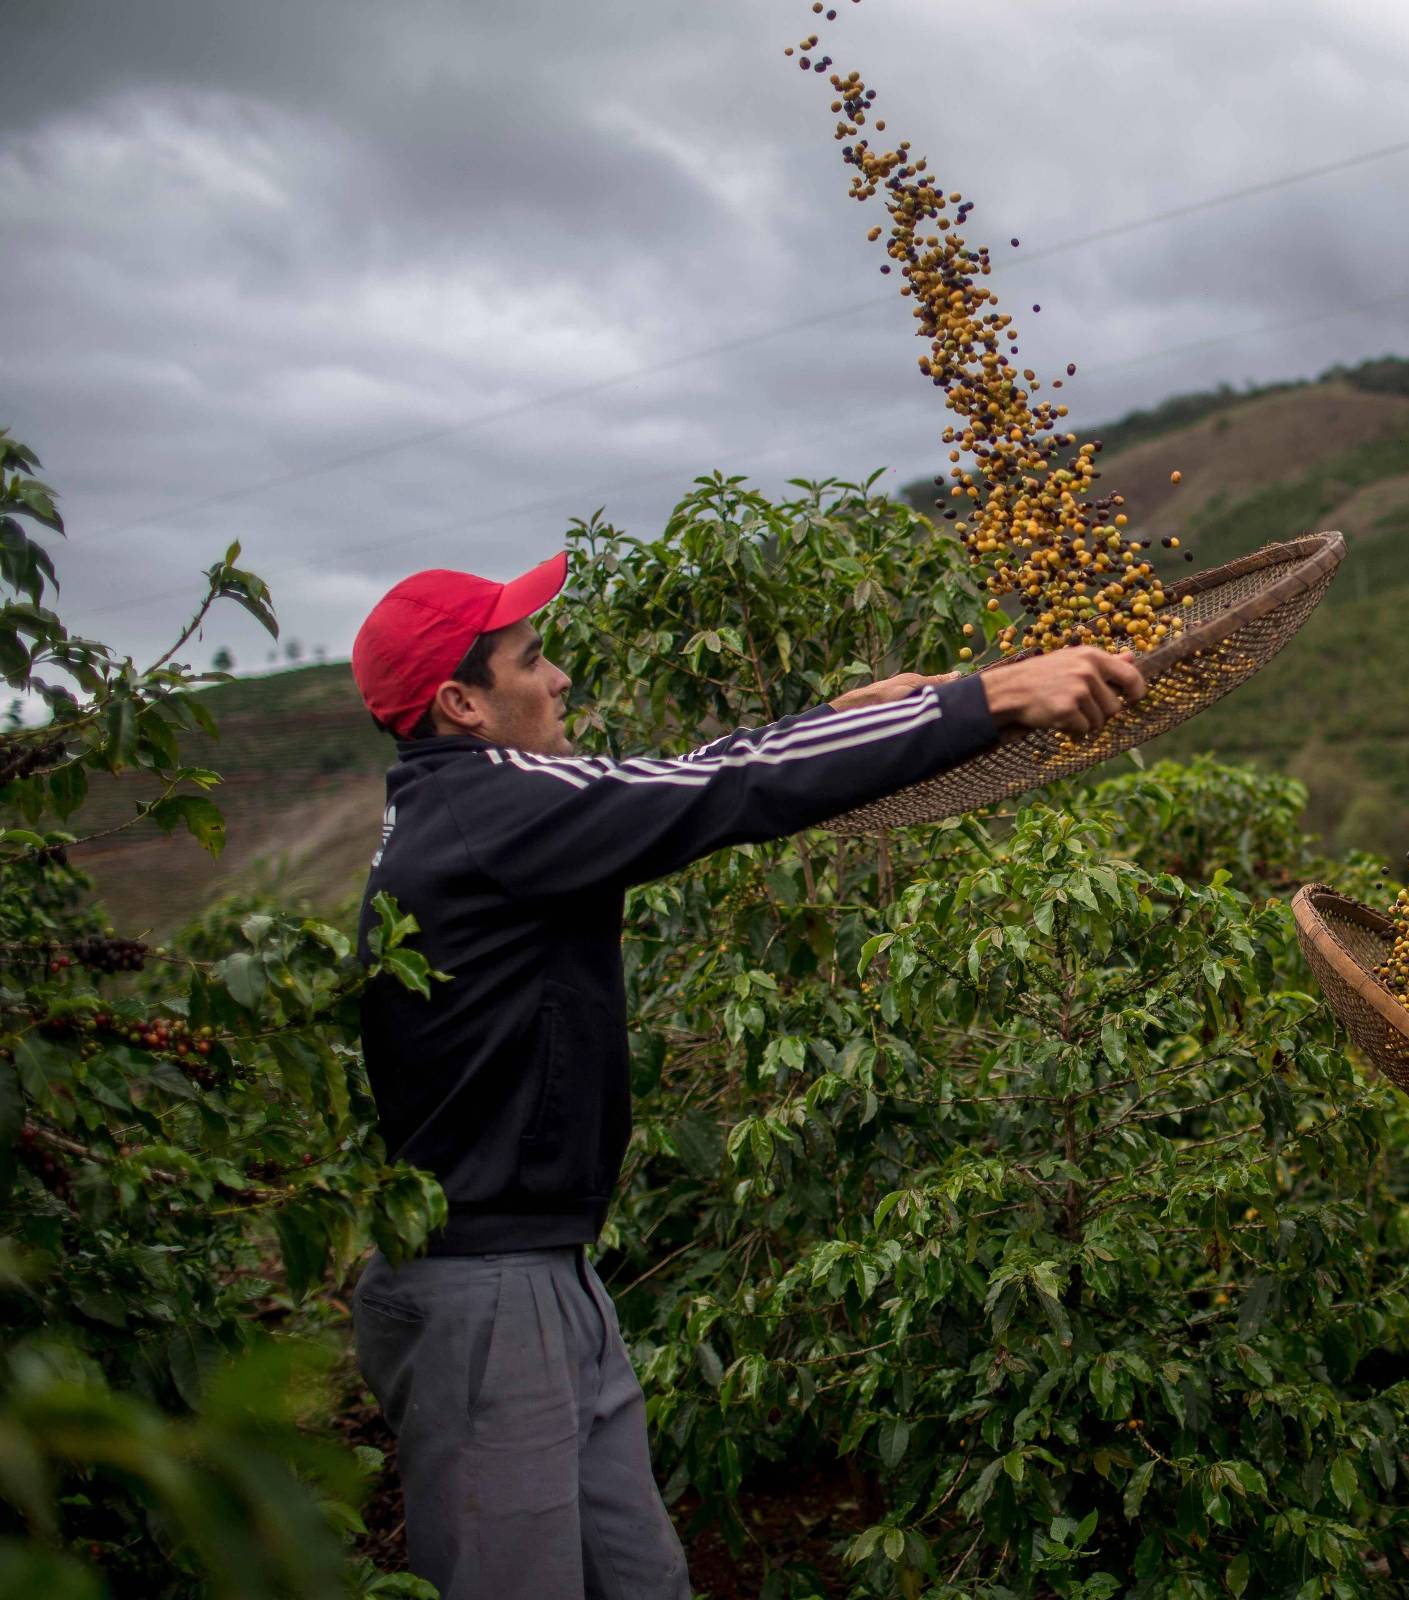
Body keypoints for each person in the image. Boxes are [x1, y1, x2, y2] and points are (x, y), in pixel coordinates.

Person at [344, 554, 1144, 1600]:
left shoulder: (462, 809)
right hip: (492, 1297)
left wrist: (843, 719)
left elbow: (701, 771)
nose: (560, 678)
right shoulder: (494, 808)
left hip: (537, 1271)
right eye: (532, 659)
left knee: (641, 1580)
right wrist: (984, 694)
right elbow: (723, 786)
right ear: (461, 703)